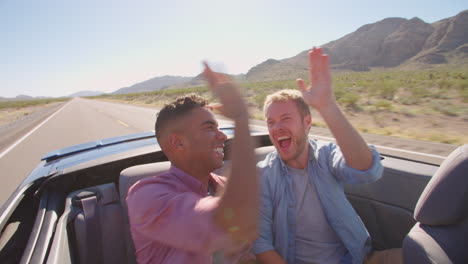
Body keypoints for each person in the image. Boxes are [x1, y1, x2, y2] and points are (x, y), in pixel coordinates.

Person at [254, 47, 401, 264]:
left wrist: (327, 107)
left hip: (358, 257)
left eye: (285, 118)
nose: (277, 128)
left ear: (307, 123)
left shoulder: (325, 154)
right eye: (271, 122)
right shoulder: (264, 175)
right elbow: (261, 243)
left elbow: (367, 171)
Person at [126, 62, 258, 264]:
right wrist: (241, 119)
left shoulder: (222, 185)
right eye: (209, 128)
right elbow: (229, 219)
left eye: (219, 127)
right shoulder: (146, 197)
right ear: (178, 142)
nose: (222, 136)